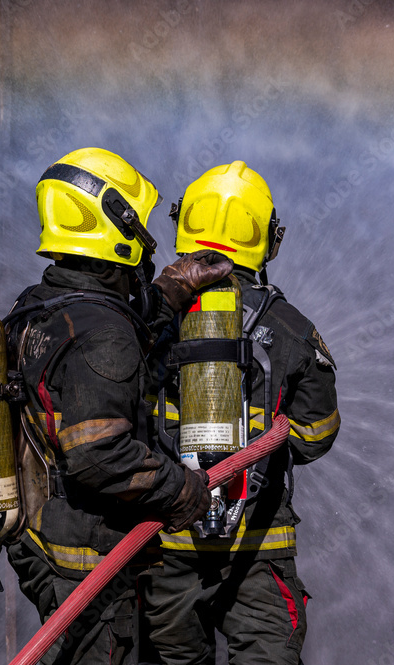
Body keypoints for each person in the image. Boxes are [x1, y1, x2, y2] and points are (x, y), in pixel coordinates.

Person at [2, 147, 233, 665]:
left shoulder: (37, 305)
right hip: (89, 559)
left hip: (42, 539)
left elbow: (94, 358)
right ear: (118, 222)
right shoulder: (105, 334)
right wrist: (183, 492)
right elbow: (100, 455)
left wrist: (166, 293)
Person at [142, 161, 340, 664]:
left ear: (183, 223)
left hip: (166, 548)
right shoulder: (290, 326)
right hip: (257, 548)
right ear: (267, 239)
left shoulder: (146, 319)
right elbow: (315, 434)